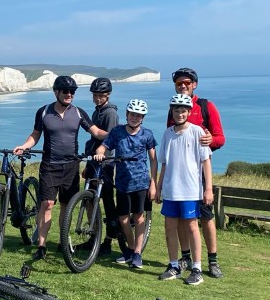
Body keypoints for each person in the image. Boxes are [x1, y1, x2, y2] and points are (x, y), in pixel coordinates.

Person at [14, 75, 109, 260]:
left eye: (72, 92)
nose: (69, 94)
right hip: (50, 165)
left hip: (71, 166)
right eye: (65, 91)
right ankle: (41, 245)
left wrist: (117, 133)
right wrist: (25, 146)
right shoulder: (43, 112)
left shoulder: (79, 112)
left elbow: (96, 131)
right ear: (56, 92)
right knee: (47, 204)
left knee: (67, 206)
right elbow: (35, 134)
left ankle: (63, 241)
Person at [168, 67, 225, 278]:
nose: (183, 86)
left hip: (199, 172)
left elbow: (220, 138)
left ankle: (212, 260)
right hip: (179, 173)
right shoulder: (174, 107)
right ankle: (185, 257)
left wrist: (211, 141)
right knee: (183, 218)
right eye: (179, 84)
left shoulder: (206, 106)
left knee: (206, 217)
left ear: (194, 84)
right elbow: (171, 136)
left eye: (187, 83)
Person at [156, 94, 213, 285]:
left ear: (189, 112)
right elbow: (163, 162)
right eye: (176, 110)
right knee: (169, 226)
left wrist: (208, 189)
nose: (179, 114)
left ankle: (196, 268)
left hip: (190, 189)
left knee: (191, 226)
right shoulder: (167, 134)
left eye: (183, 110)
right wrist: (158, 185)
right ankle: (174, 265)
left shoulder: (198, 132)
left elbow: (206, 161)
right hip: (171, 189)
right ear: (171, 112)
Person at [93, 98, 157, 269]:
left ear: (142, 118)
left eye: (138, 115)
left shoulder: (147, 135)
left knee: (138, 217)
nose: (135, 118)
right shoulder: (117, 132)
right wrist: (99, 153)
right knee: (122, 219)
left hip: (141, 182)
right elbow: (104, 146)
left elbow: (153, 160)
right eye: (132, 114)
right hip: (122, 183)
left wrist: (154, 183)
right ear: (127, 115)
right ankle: (129, 249)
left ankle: (137, 253)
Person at [81, 77, 120, 255]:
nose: (97, 98)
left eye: (101, 95)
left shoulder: (109, 113)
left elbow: (111, 137)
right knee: (90, 197)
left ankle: (108, 240)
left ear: (108, 95)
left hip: (105, 161)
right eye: (95, 95)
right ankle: (93, 235)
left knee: (106, 198)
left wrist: (101, 152)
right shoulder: (98, 111)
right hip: (94, 159)